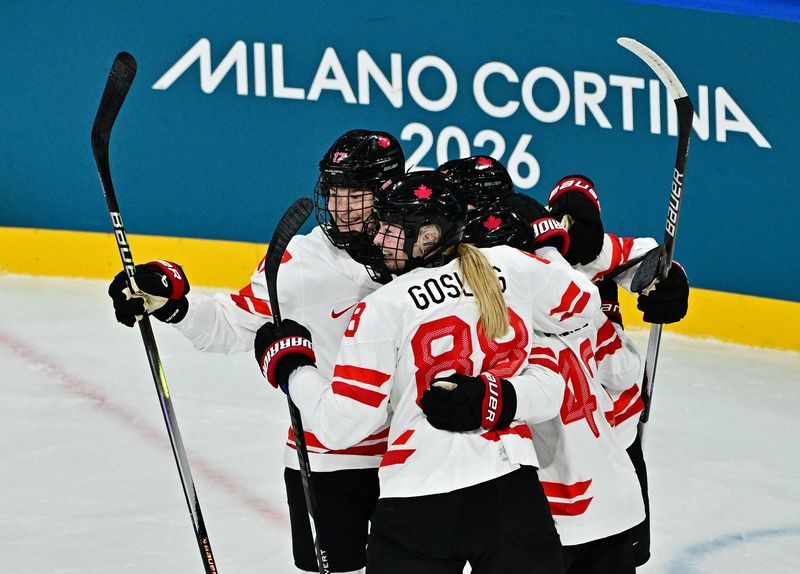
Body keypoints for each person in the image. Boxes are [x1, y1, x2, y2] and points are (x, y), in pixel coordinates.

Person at [108, 129, 405, 574]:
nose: (341, 209)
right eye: (335, 193)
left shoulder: (426, 245)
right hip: (329, 456)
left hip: (414, 451)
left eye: (355, 194)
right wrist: (174, 305)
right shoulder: (298, 263)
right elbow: (229, 325)